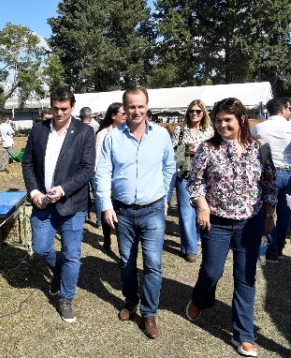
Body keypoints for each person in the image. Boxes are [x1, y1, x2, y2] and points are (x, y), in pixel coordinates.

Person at [185, 97, 276, 357]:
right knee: (212, 272)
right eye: (218, 120)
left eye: (228, 120)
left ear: (242, 119)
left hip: (251, 222)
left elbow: (269, 184)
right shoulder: (207, 148)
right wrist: (202, 206)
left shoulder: (260, 148)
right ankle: (201, 300)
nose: (222, 124)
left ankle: (244, 335)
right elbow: (195, 182)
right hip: (218, 222)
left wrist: (269, 215)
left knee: (245, 278)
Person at [95, 86, 175, 339]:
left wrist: (165, 196)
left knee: (153, 263)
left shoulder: (161, 135)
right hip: (123, 211)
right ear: (124, 108)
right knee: (127, 263)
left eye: (141, 106)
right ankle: (131, 299)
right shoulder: (112, 137)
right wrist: (105, 205)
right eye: (131, 106)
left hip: (152, 210)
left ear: (147, 106)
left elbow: (169, 167)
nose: (136, 111)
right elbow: (103, 173)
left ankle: (149, 312)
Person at [22, 86, 95, 323]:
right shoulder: (38, 130)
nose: (59, 113)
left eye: (64, 108)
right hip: (43, 202)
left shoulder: (84, 132)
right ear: (50, 106)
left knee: (72, 254)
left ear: (72, 107)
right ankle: (60, 270)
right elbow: (28, 164)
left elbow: (86, 169)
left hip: (72, 203)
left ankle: (66, 297)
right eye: (55, 108)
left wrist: (62, 189)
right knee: (41, 248)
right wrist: (33, 190)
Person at [170, 100, 214, 262]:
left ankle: (195, 240)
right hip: (185, 176)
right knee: (186, 213)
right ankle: (191, 249)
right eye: (191, 111)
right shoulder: (180, 130)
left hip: (206, 178)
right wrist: (184, 150)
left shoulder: (210, 132)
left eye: (198, 111)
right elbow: (171, 152)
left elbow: (217, 153)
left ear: (204, 113)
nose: (194, 114)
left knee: (201, 211)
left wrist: (200, 149)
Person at [251, 97, 291, 263]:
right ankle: (278, 248)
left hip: (266, 173)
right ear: (282, 109)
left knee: (266, 212)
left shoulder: (259, 127)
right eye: (289, 108)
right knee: (285, 213)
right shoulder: (289, 126)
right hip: (288, 173)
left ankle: (267, 249)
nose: (290, 111)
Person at [92, 102, 126, 253]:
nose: (127, 117)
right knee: (108, 210)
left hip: (122, 180)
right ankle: (107, 241)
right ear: (113, 116)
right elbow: (97, 159)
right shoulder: (103, 134)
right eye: (123, 114)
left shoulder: (126, 132)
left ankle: (123, 245)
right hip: (108, 181)